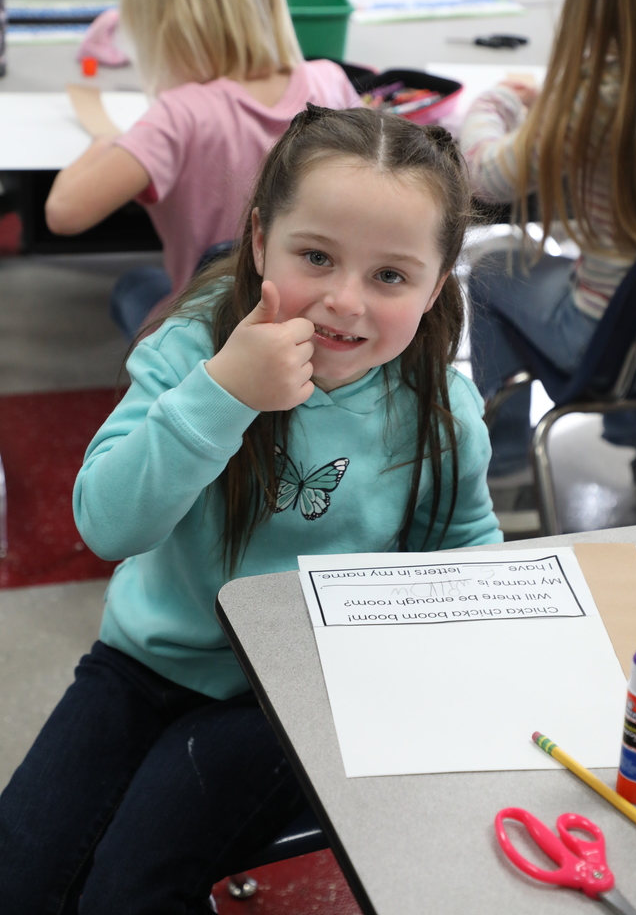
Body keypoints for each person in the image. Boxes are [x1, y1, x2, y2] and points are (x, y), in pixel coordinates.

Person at [0, 105, 501, 913]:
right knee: (18, 876)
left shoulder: (439, 407)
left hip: (290, 689)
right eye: (315, 256)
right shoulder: (194, 348)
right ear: (261, 241)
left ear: (436, 284)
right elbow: (106, 526)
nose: (343, 302)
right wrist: (223, 395)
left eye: (389, 276)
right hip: (143, 662)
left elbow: (464, 547)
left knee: (125, 893)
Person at [460, 0, 636, 535]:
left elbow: (487, 175)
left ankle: (502, 469)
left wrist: (499, 100)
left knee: (493, 264)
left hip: (595, 343)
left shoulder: (587, 99)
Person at [44, 0, 360, 339]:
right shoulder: (331, 82)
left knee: (135, 286)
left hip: (212, 336)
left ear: (159, 18)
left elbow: (63, 213)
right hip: (318, 324)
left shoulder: (180, 115)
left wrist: (102, 145)